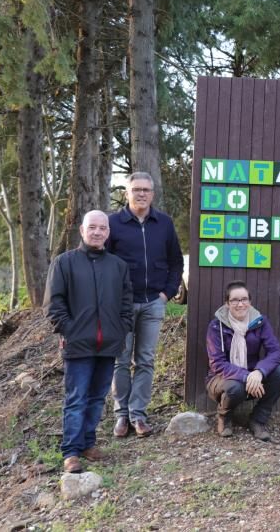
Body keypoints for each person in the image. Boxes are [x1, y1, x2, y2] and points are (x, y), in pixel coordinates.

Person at [44, 211, 133, 473]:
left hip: (108, 345)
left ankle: (88, 443)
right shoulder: (64, 262)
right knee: (76, 398)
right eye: (91, 227)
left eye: (102, 228)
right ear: (82, 231)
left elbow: (126, 304)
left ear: (108, 232)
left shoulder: (118, 266)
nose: (97, 232)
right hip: (77, 346)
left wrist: (120, 330)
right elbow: (54, 304)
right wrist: (70, 330)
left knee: (97, 398)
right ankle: (71, 452)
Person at [107, 172, 184, 438]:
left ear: (153, 193)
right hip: (122, 305)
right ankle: (121, 416)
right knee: (120, 360)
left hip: (154, 302)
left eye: (147, 190)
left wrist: (167, 292)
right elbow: (101, 263)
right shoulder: (112, 223)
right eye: (137, 189)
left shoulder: (163, 223)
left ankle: (138, 414)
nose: (142, 194)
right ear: (126, 192)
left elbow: (176, 261)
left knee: (146, 361)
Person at [205, 281, 280, 441]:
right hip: (220, 379)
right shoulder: (216, 326)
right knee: (235, 387)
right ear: (227, 303)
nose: (240, 304)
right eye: (235, 300)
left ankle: (258, 420)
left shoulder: (260, 322)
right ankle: (225, 418)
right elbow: (217, 363)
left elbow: (276, 351)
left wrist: (259, 372)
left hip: (253, 375)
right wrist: (247, 376)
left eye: (244, 299)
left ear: (250, 302)